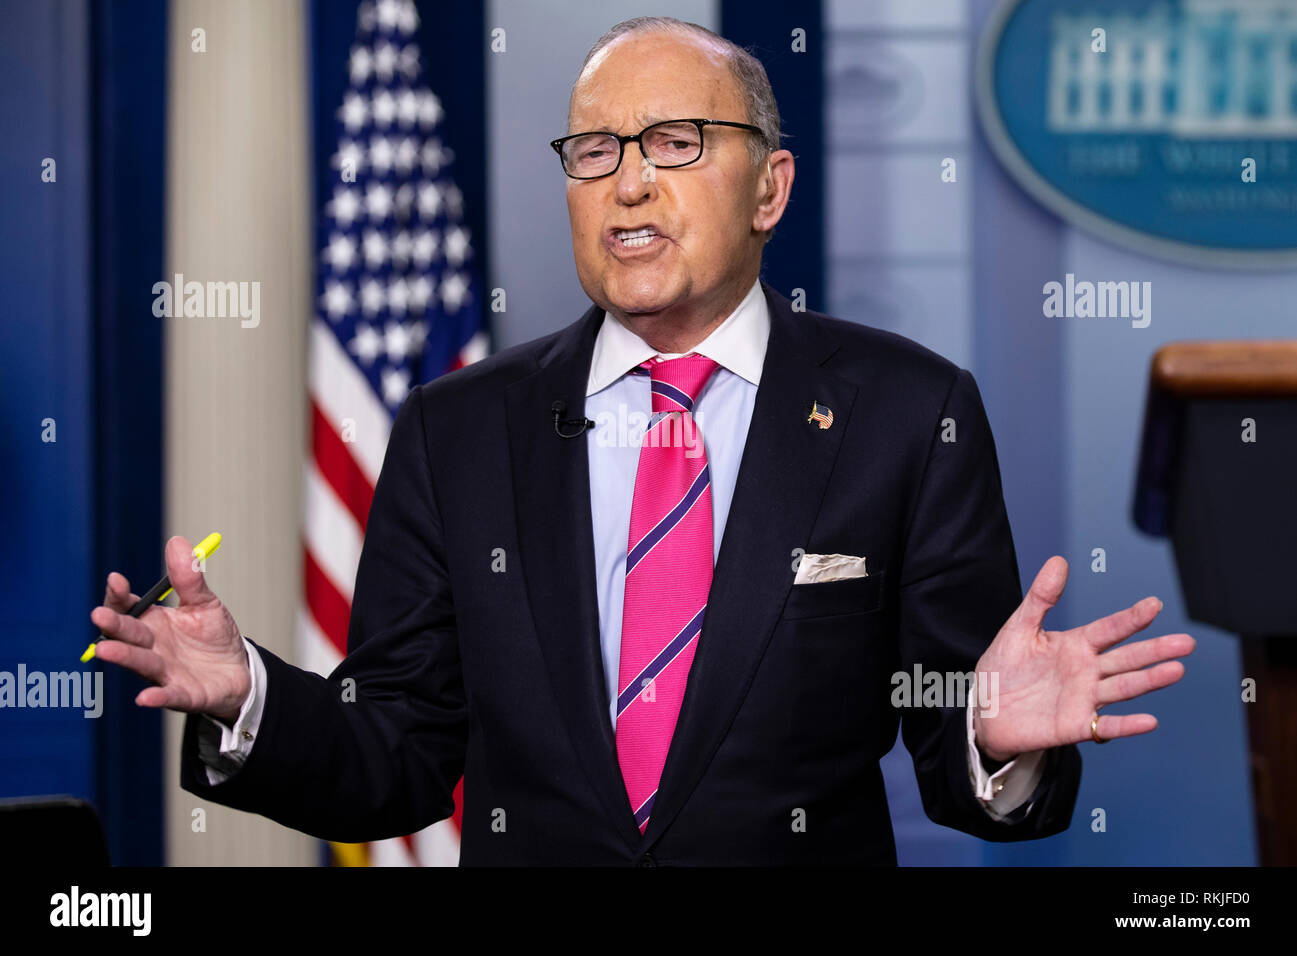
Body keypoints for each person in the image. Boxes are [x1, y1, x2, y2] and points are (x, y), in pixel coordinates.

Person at [89, 17, 1195, 865]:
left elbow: (955, 747)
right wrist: (249, 695)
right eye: (594, 150)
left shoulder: (908, 410)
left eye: (675, 142)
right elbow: (400, 754)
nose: (627, 180)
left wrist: (993, 736)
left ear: (770, 186)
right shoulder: (456, 429)